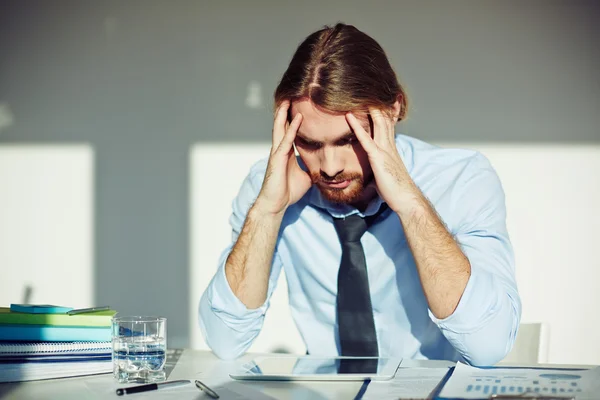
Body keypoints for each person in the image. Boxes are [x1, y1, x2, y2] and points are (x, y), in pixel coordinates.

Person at [199, 23, 521, 366]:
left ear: (394, 109)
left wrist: (411, 205)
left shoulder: (460, 179)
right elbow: (224, 340)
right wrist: (268, 211)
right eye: (308, 143)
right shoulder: (274, 190)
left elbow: (488, 345)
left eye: (349, 139)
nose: (330, 166)